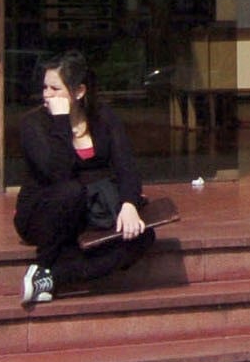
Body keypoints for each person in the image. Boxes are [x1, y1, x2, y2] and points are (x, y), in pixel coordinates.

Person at [13, 52, 153, 304]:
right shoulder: (32, 125)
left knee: (142, 237)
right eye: (44, 87)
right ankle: (44, 262)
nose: (47, 95)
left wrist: (129, 204)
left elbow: (126, 166)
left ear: (79, 92)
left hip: (89, 211)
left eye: (55, 89)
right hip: (46, 213)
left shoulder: (103, 118)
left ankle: (53, 276)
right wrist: (60, 121)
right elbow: (57, 173)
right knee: (70, 190)